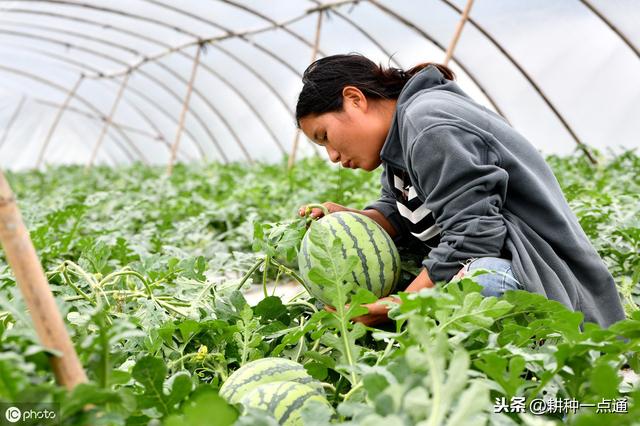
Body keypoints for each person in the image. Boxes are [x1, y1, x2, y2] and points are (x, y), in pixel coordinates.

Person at [295, 53, 625, 329]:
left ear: (355, 100)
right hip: (514, 266)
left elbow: (475, 236)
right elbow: (402, 209)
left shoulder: (428, 125)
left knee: (473, 286)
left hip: (548, 282)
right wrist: (357, 220)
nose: (333, 156)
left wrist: (400, 304)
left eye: (325, 136)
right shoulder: (399, 140)